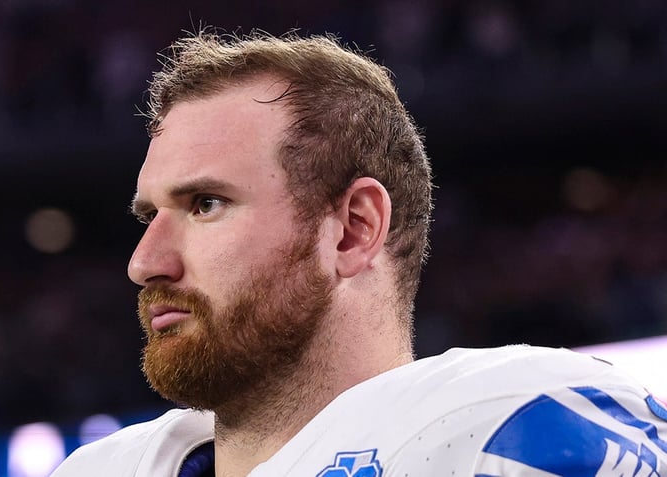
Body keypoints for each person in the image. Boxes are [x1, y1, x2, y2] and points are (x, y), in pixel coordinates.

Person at [51, 31, 667, 477]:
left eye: (205, 204)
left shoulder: (502, 431)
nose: (145, 261)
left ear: (352, 229)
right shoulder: (103, 468)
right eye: (147, 216)